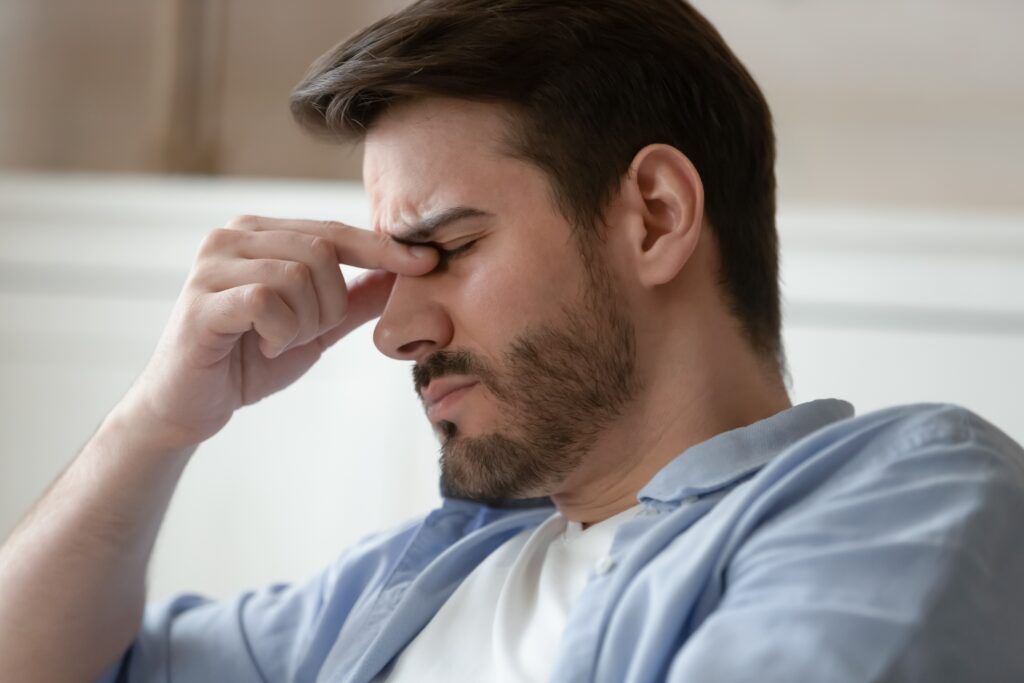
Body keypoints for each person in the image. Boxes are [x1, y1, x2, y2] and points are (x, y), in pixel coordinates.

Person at [2, 0, 1023, 680]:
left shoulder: (905, 495)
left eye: (446, 249)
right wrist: (155, 421)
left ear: (655, 217)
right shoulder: (405, 582)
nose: (396, 331)